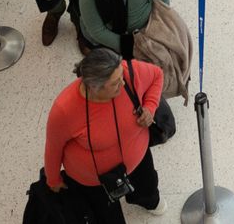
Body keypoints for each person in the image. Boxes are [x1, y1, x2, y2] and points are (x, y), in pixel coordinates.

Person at [40, 47, 165, 217]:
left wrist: (150, 107)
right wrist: (53, 179)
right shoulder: (64, 110)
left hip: (139, 160)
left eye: (121, 77)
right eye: (115, 83)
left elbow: (157, 75)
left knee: (147, 186)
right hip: (94, 181)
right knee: (105, 215)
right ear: (93, 86)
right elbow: (53, 147)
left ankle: (148, 200)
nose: (122, 83)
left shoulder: (126, 72)